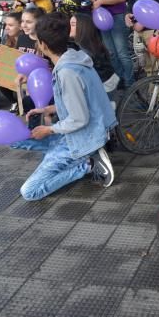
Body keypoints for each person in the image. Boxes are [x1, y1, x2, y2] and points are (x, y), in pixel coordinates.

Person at [12, 13, 117, 201]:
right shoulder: (74, 57)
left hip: (82, 138)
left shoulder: (68, 72)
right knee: (13, 139)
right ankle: (61, 155)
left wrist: (49, 129)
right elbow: (80, 103)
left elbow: (79, 118)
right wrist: (47, 110)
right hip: (78, 131)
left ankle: (87, 164)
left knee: (29, 192)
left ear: (42, 44)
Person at [90, 0, 132, 88]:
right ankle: (120, 77)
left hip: (117, 17)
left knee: (122, 52)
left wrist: (102, 1)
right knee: (111, 52)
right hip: (102, 18)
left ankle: (129, 80)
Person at [70, 13, 119, 95]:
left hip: (104, 89)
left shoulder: (85, 51)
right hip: (107, 84)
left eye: (73, 25)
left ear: (82, 28)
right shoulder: (89, 45)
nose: (69, 27)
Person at [0, 11, 23, 112]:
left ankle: (23, 101)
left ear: (20, 26)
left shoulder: (28, 40)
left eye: (10, 25)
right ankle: (14, 101)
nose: (6, 28)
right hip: (12, 71)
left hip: (24, 73)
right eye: (6, 25)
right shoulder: (7, 38)